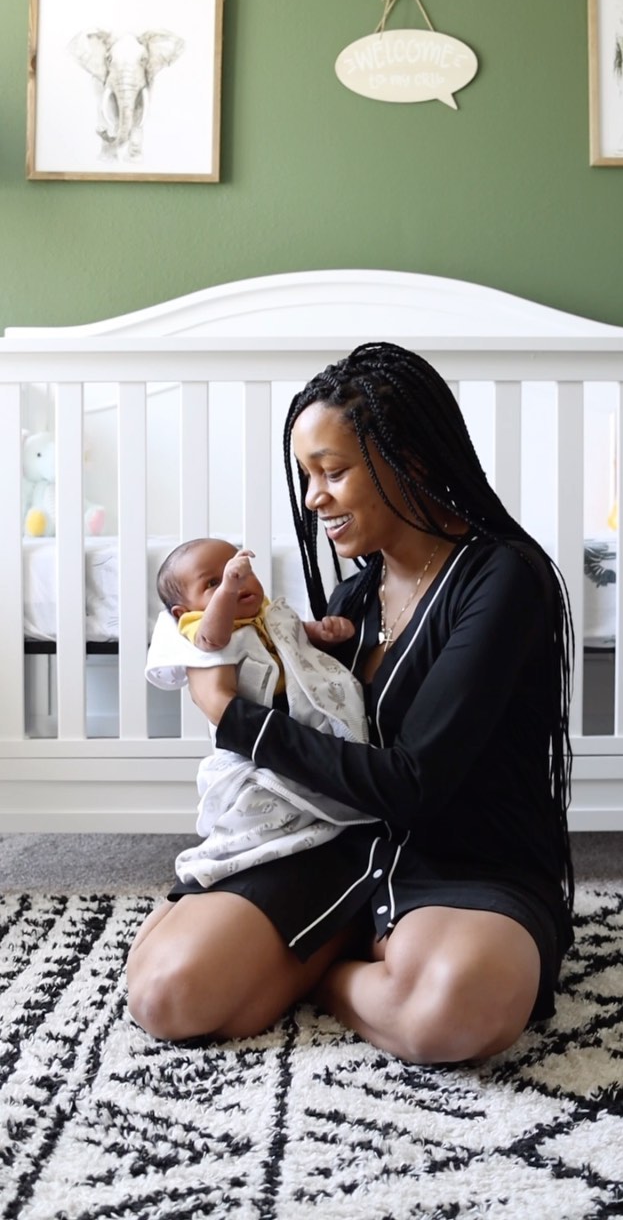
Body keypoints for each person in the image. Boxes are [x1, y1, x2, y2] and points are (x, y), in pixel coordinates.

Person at [127, 342, 575, 1066]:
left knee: (452, 1012)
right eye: (307, 476)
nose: (313, 499)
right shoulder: (355, 597)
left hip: (465, 856)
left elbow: (415, 783)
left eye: (332, 473)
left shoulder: (503, 579)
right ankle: (344, 951)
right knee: (165, 994)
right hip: (337, 845)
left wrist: (232, 717)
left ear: (409, 461)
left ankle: (325, 974)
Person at [146, 538, 374, 886]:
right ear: (183, 611)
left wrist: (321, 633)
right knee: (259, 803)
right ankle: (248, 851)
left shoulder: (265, 612)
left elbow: (293, 636)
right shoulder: (199, 624)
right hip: (251, 738)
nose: (236, 581)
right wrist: (228, 589)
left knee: (317, 776)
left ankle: (311, 831)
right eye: (213, 582)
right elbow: (211, 640)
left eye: (239, 572)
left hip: (294, 717)